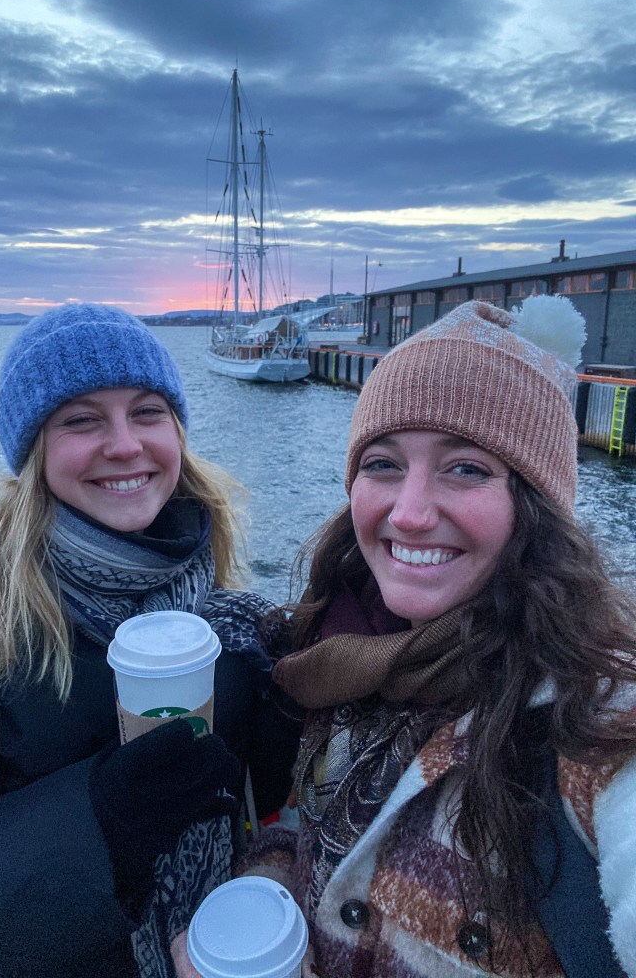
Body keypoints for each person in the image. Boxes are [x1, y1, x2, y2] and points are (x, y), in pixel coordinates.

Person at [178, 296, 636, 977]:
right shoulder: (337, 648)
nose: (411, 513)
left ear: (536, 505)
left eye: (466, 468)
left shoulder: (594, 714)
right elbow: (316, 828)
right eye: (384, 464)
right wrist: (268, 890)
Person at [0, 304, 301, 978]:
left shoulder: (218, 612)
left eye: (147, 412)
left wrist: (289, 709)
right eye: (81, 420)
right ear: (33, 451)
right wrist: (98, 827)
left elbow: (243, 794)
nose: (125, 444)